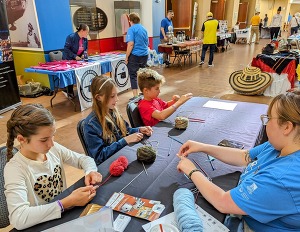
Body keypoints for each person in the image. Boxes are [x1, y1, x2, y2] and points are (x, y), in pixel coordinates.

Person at [177, 90, 300, 231]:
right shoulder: (281, 145)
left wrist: (192, 170)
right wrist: (203, 147)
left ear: (287, 127)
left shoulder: (283, 179)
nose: (266, 123)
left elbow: (222, 202)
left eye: (269, 118)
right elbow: (244, 156)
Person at [4, 104, 102, 230]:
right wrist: (66, 202)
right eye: (44, 140)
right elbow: (19, 217)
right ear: (22, 139)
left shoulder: (52, 148)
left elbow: (84, 159)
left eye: (53, 135)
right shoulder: (14, 169)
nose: (51, 144)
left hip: (63, 216)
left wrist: (91, 171)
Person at [83, 76, 153, 165]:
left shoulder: (113, 111)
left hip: (122, 156)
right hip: (109, 165)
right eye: (112, 96)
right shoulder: (90, 125)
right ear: (98, 97)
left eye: (116, 94)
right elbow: (100, 156)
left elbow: (126, 131)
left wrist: (138, 130)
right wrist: (125, 141)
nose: (117, 99)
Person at [125, 12, 149, 101]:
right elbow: (147, 43)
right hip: (144, 55)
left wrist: (127, 57)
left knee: (133, 75)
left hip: (135, 55)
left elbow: (130, 44)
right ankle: (144, 93)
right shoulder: (144, 29)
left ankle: (135, 96)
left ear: (130, 20)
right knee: (143, 75)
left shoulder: (131, 29)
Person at [63, 24, 89, 98]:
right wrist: (74, 56)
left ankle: (82, 89)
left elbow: (86, 48)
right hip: (69, 59)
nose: (87, 34)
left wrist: (84, 54)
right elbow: (66, 49)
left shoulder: (85, 39)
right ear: (82, 31)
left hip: (79, 59)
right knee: (70, 74)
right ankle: (69, 92)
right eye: (87, 32)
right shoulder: (71, 37)